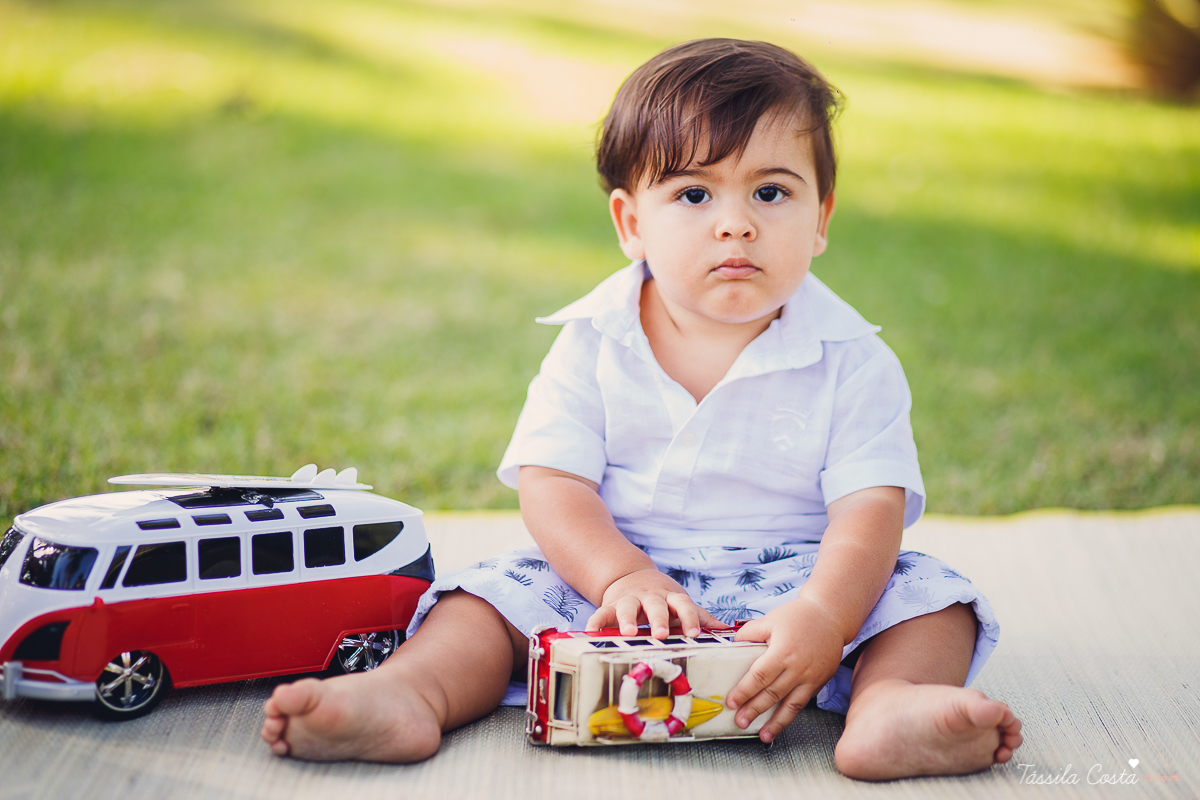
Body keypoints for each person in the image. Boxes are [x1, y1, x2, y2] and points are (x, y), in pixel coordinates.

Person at [260, 38, 1023, 780]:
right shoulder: (594, 343)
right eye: (694, 194)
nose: (736, 223)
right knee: (486, 599)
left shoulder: (854, 360)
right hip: (618, 580)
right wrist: (620, 577)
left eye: (771, 192)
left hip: (800, 582)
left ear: (821, 216)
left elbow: (870, 511)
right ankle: (407, 694)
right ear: (631, 225)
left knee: (930, 598)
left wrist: (826, 615)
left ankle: (892, 705)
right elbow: (552, 484)